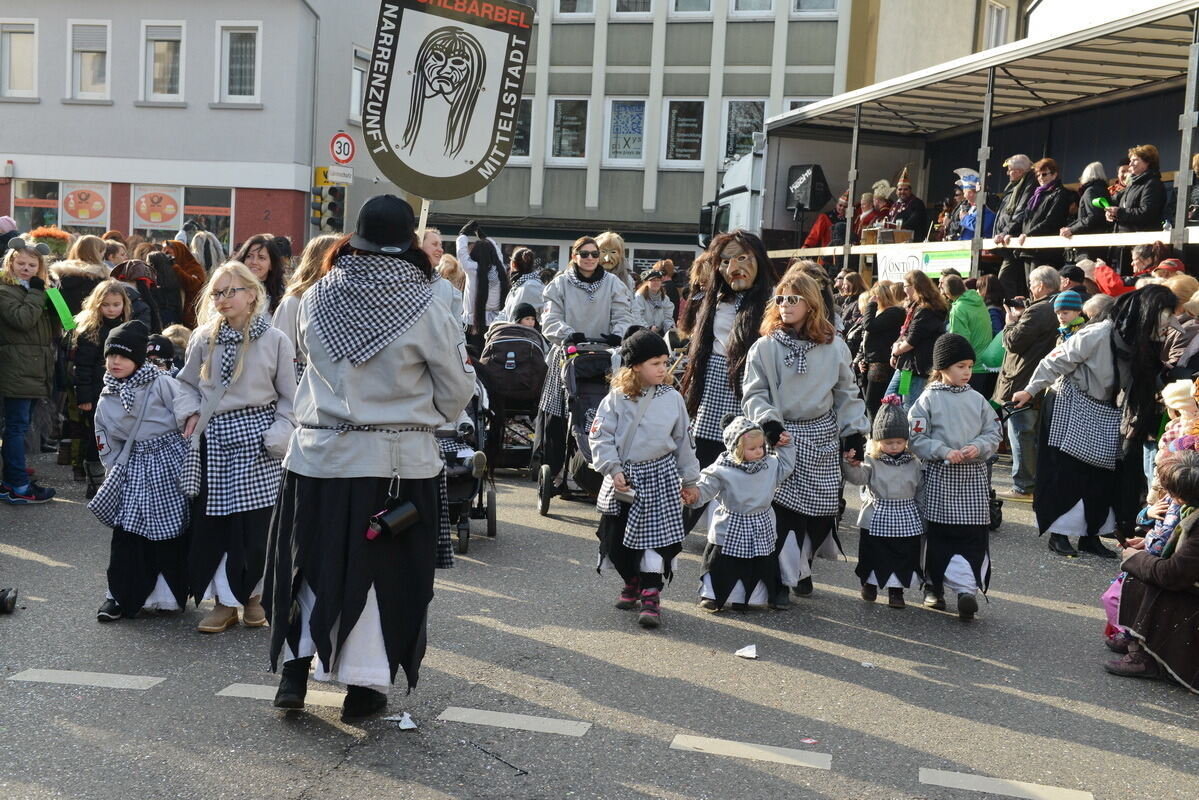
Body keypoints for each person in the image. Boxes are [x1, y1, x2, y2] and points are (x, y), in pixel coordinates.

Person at [265, 195, 475, 720]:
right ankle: (365, 687)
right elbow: (453, 389)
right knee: (384, 574)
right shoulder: (428, 302)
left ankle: (295, 670)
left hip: (317, 455)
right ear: (410, 242)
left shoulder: (315, 297)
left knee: (308, 564)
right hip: (396, 462)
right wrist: (418, 407)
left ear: (353, 238)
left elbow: (309, 363)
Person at [177, 262, 296, 633]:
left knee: (257, 530)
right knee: (216, 527)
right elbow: (184, 386)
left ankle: (254, 598)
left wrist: (276, 436)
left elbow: (291, 398)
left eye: (231, 291)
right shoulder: (202, 338)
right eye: (217, 292)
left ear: (252, 293)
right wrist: (191, 414)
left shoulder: (275, 339)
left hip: (259, 445)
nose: (223, 299)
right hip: (214, 440)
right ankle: (223, 603)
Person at [1015, 286, 1177, 556]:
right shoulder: (1100, 332)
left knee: (1101, 477)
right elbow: (1057, 360)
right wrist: (1030, 390)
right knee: (1068, 474)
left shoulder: (1139, 341)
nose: (1169, 321)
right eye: (1166, 314)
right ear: (1149, 313)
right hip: (1072, 403)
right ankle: (1059, 534)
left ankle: (1091, 536)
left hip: (1105, 409)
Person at [742, 272, 869, 602]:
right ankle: (782, 579)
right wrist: (768, 424)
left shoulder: (834, 346)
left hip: (824, 435)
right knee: (785, 514)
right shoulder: (765, 347)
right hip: (783, 436)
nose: (784, 305)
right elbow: (753, 393)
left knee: (821, 515)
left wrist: (854, 433)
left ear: (811, 304)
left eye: (793, 299)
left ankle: (802, 565)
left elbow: (846, 392)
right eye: (781, 299)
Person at [589, 330, 700, 629]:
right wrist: (613, 469)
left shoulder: (673, 399)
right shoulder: (614, 399)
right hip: (623, 480)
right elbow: (600, 436)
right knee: (617, 540)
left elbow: (684, 442)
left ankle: (652, 594)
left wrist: (690, 481)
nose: (664, 368)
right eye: (656, 362)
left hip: (661, 478)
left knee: (656, 541)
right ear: (636, 365)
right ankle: (632, 581)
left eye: (665, 362)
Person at [90, 320, 193, 621]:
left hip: (170, 462)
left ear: (138, 358)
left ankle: (168, 595)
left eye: (123, 356)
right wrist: (112, 466)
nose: (115, 362)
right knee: (128, 530)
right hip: (133, 465)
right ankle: (118, 596)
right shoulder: (107, 393)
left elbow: (187, 411)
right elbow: (104, 434)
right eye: (111, 356)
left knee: (171, 529)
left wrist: (187, 449)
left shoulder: (161, 381)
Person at [909, 333, 1002, 620]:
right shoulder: (927, 399)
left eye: (970, 366)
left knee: (972, 535)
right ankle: (933, 587)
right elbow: (916, 437)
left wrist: (980, 446)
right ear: (942, 368)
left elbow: (993, 432)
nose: (967, 372)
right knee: (938, 534)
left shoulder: (977, 399)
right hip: (939, 475)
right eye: (960, 366)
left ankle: (966, 589)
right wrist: (942, 451)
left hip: (973, 478)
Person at [537, 236, 633, 496]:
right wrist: (567, 333)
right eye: (585, 254)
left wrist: (618, 333)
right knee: (558, 415)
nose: (590, 258)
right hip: (568, 356)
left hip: (607, 358)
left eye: (594, 254)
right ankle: (555, 471)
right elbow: (549, 317)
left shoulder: (613, 283)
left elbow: (624, 314)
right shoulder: (559, 284)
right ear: (574, 255)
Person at [1105, 447, 1199, 692]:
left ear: (1181, 494)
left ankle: (1145, 657)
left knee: (1143, 577)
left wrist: (1136, 559)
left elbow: (1173, 574)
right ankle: (1139, 643)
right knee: (1146, 566)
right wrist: (1145, 545)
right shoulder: (1191, 508)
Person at [688, 415, 794, 613]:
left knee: (757, 562)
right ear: (736, 448)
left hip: (760, 523)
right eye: (752, 448)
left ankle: (748, 598)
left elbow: (786, 466)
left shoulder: (770, 465)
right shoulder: (722, 469)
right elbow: (706, 486)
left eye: (761, 447)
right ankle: (712, 595)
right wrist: (693, 495)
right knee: (720, 560)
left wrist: (785, 446)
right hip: (730, 522)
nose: (759, 452)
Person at [842, 395, 924, 609]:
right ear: (878, 442)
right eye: (888, 442)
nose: (895, 446)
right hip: (877, 513)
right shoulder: (872, 462)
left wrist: (922, 514)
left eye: (899, 442)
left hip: (906, 515)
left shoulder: (914, 463)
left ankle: (896, 592)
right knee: (874, 552)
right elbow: (858, 478)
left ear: (906, 441)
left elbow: (920, 490)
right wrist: (849, 464)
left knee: (903, 554)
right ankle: (869, 584)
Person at [992, 265, 1060, 503]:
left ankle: (1023, 486)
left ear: (1041, 285)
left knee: (1021, 433)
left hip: (1021, 380)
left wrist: (1010, 321)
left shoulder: (1039, 310)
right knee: (1031, 435)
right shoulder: (1053, 307)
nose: (1030, 287)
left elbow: (1013, 342)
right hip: (1039, 380)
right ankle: (1032, 483)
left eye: (1032, 283)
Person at [0, 238, 58, 504]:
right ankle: (18, 486)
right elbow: (22, 320)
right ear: (10, 262)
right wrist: (37, 293)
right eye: (20, 263)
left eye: (32, 264)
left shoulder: (37, 288)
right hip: (16, 367)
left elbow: (59, 327)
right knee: (16, 427)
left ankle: (14, 475)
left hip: (36, 367)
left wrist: (54, 299)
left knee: (20, 427)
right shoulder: (4, 290)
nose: (25, 268)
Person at [71, 279, 133, 499]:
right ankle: (94, 480)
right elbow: (83, 367)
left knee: (120, 435)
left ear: (123, 305)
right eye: (106, 305)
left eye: (116, 304)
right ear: (97, 305)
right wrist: (84, 397)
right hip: (97, 392)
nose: (111, 309)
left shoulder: (128, 328)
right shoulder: (91, 331)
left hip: (123, 392)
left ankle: (114, 479)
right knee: (96, 436)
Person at [1000, 158, 1077, 294]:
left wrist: (1029, 234)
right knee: (1031, 288)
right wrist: (1008, 232)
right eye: (1038, 175)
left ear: (1054, 175)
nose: (1041, 178)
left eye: (1045, 174)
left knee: (1042, 289)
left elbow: (1051, 221)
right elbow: (1024, 218)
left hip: (1044, 251)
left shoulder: (1060, 194)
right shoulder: (1037, 194)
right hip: (1029, 248)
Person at [273, 234, 340, 381]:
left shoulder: (338, 300)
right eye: (339, 259)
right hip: (301, 387)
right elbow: (280, 353)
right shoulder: (293, 302)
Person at [885, 270, 948, 411]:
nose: (904, 289)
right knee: (891, 400)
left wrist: (896, 352)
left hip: (917, 366)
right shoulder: (916, 307)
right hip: (908, 365)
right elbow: (906, 332)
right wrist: (896, 349)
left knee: (909, 405)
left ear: (916, 286)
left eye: (906, 285)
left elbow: (913, 339)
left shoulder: (926, 310)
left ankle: (906, 433)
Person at [1109, 145, 1167, 272]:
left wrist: (1120, 212)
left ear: (1147, 162)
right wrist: (1113, 214)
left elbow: (1146, 212)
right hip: (1124, 245)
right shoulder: (1132, 185)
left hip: (1140, 248)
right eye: (1131, 160)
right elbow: (1124, 209)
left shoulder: (1152, 184)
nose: (1130, 164)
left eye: (1135, 160)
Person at [457, 220, 509, 348]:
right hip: (496, 326)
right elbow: (497, 251)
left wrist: (462, 234)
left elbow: (461, 253)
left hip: (473, 325)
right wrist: (482, 235)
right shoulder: (501, 269)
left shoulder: (472, 269)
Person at [859, 282, 906, 419]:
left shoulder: (893, 313)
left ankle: (877, 434)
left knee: (874, 403)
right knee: (875, 402)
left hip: (882, 364)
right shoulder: (890, 313)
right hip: (877, 362)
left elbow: (869, 325)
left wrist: (871, 306)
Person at [993, 154, 1036, 294]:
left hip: (1015, 242)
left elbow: (1020, 211)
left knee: (1005, 281)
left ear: (1019, 171)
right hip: (1010, 242)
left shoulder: (1028, 185)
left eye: (1010, 170)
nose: (1007, 173)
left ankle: (1009, 310)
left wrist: (1005, 232)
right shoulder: (1015, 185)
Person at [942, 275, 993, 392]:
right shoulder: (978, 301)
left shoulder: (958, 309)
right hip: (985, 364)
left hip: (970, 368)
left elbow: (959, 342)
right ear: (963, 286)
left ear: (947, 294)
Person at [1060, 162, 1111, 260]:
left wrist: (1071, 229)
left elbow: (1092, 217)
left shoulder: (1090, 191)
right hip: (1101, 242)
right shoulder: (1105, 191)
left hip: (1089, 244)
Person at [417, 227, 465, 326]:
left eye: (441, 245)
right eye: (434, 244)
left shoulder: (450, 290)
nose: (441, 250)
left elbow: (457, 330)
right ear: (419, 246)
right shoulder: (402, 279)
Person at [51, 234, 109, 316]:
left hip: (66, 324)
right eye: (102, 251)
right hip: (91, 323)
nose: (103, 255)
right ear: (96, 252)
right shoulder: (97, 277)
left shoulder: (62, 276)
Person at [232, 235, 286, 316]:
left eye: (261, 258)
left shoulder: (281, 298)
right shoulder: (230, 290)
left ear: (271, 265)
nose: (254, 262)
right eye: (249, 256)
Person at [162, 241, 208, 328]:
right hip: (174, 314)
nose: (167, 256)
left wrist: (175, 268)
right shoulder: (169, 268)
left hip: (190, 317)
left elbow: (194, 285)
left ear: (179, 252)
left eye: (168, 253)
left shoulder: (194, 267)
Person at [499, 246, 543, 325]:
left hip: (527, 335)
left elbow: (546, 315)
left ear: (513, 264)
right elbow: (505, 313)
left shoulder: (531, 286)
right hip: (512, 334)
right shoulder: (518, 286)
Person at [885, 168, 929, 242]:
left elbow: (912, 222)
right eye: (900, 189)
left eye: (905, 189)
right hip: (893, 240)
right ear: (896, 192)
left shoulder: (917, 203)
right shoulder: (894, 205)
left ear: (910, 191)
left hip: (912, 241)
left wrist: (896, 228)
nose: (902, 192)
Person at [633, 269, 675, 335]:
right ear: (646, 282)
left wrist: (671, 327)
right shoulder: (639, 296)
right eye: (652, 280)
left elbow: (668, 317)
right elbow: (637, 316)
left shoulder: (665, 298)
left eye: (658, 280)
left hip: (659, 334)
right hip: (642, 333)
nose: (656, 282)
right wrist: (648, 328)